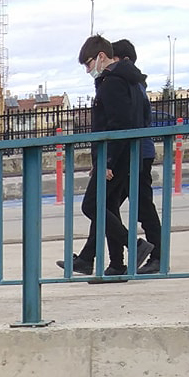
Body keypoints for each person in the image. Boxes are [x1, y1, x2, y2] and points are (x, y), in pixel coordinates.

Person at [70, 34, 147, 277]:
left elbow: (116, 125)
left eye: (88, 63)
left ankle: (135, 245)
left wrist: (107, 161)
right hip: (125, 156)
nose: (88, 70)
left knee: (91, 205)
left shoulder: (113, 82)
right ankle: (115, 264)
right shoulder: (130, 81)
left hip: (115, 156)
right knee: (108, 206)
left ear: (102, 56)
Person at [111, 39, 162, 274]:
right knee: (105, 206)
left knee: (142, 208)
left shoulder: (133, 85)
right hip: (135, 153)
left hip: (138, 153)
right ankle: (90, 256)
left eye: (115, 59)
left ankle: (158, 255)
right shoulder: (135, 84)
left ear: (125, 60)